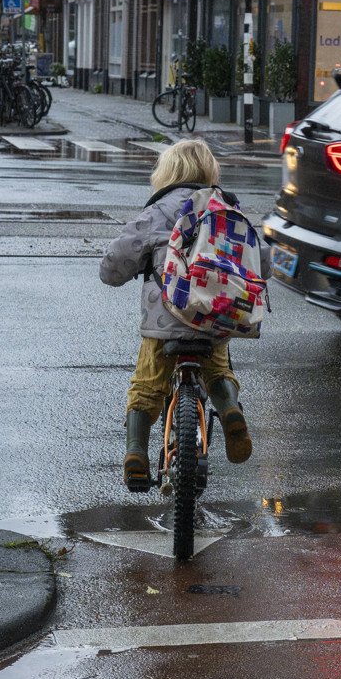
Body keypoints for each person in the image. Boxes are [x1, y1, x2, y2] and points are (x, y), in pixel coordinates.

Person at [100, 139, 265, 490]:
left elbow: (115, 264)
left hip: (165, 323)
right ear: (209, 172)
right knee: (218, 366)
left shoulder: (157, 212)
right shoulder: (226, 206)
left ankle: (136, 451)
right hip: (213, 318)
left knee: (146, 383)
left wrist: (117, 273)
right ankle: (230, 410)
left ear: (168, 172)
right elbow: (257, 259)